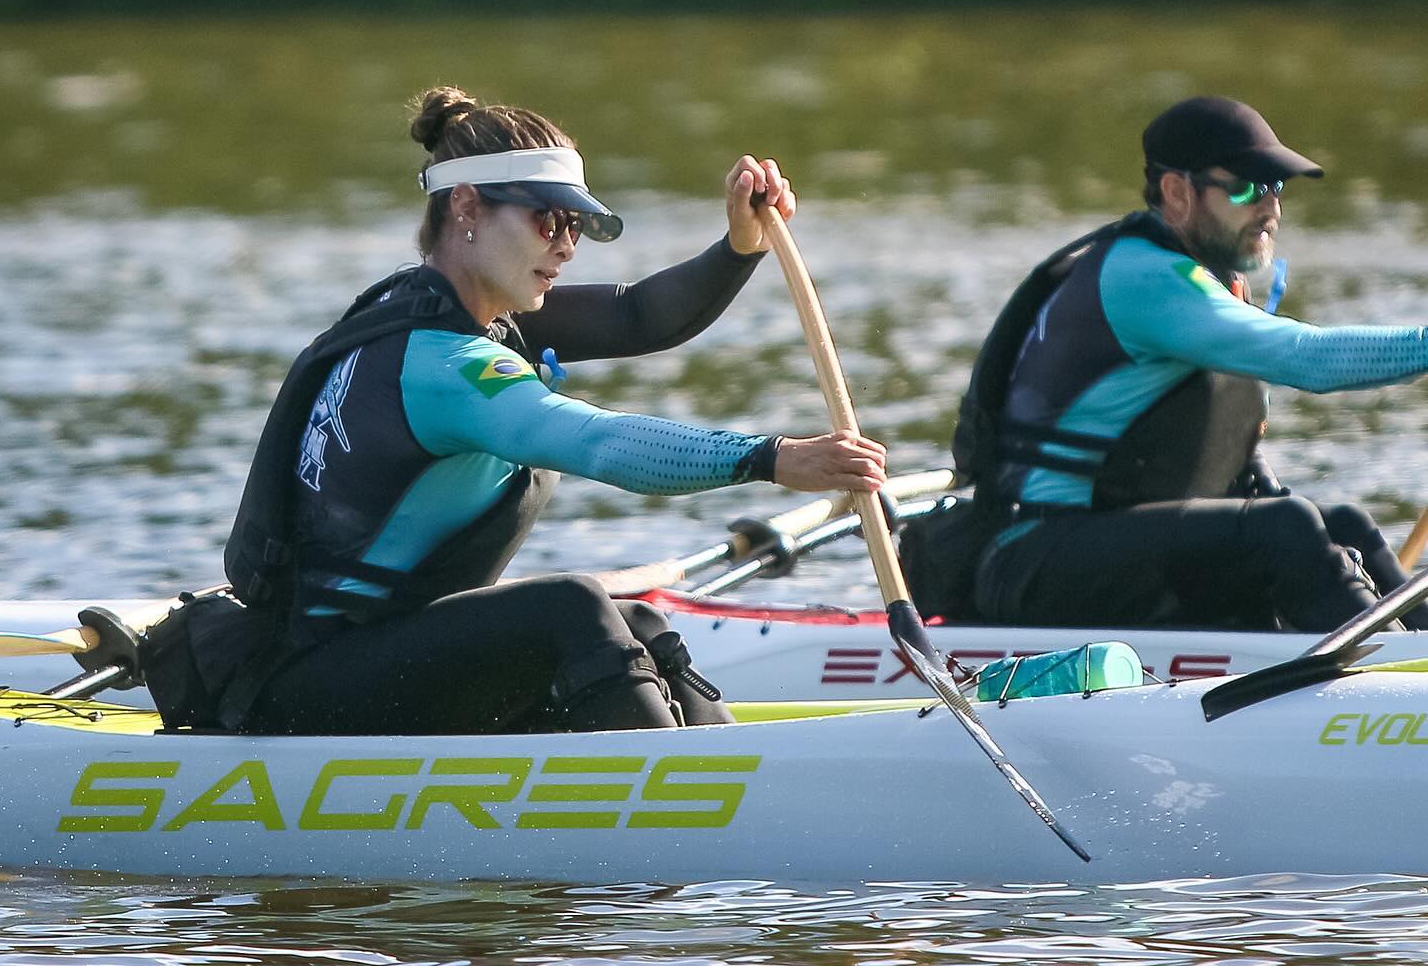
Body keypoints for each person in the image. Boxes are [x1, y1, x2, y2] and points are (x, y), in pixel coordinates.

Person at [157, 87, 886, 736]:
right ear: (467, 207)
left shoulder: (448, 310)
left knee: (636, 621)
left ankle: (724, 764)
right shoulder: (444, 364)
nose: (567, 245)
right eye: (548, 220)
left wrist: (740, 245)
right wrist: (771, 458)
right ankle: (701, 798)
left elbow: (638, 316)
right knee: (571, 608)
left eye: (576, 225)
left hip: (372, 656)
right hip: (308, 687)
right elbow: (598, 442)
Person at [943, 95, 1428, 634]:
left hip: (1110, 548)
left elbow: (1234, 461)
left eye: (1275, 187)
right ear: (1177, 192)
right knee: (1285, 528)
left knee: (1342, 524)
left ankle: (1409, 653)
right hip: (1036, 561)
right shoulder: (1142, 277)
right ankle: (1396, 669)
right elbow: (1307, 358)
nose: (1270, 209)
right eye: (1245, 189)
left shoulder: (1214, 280)